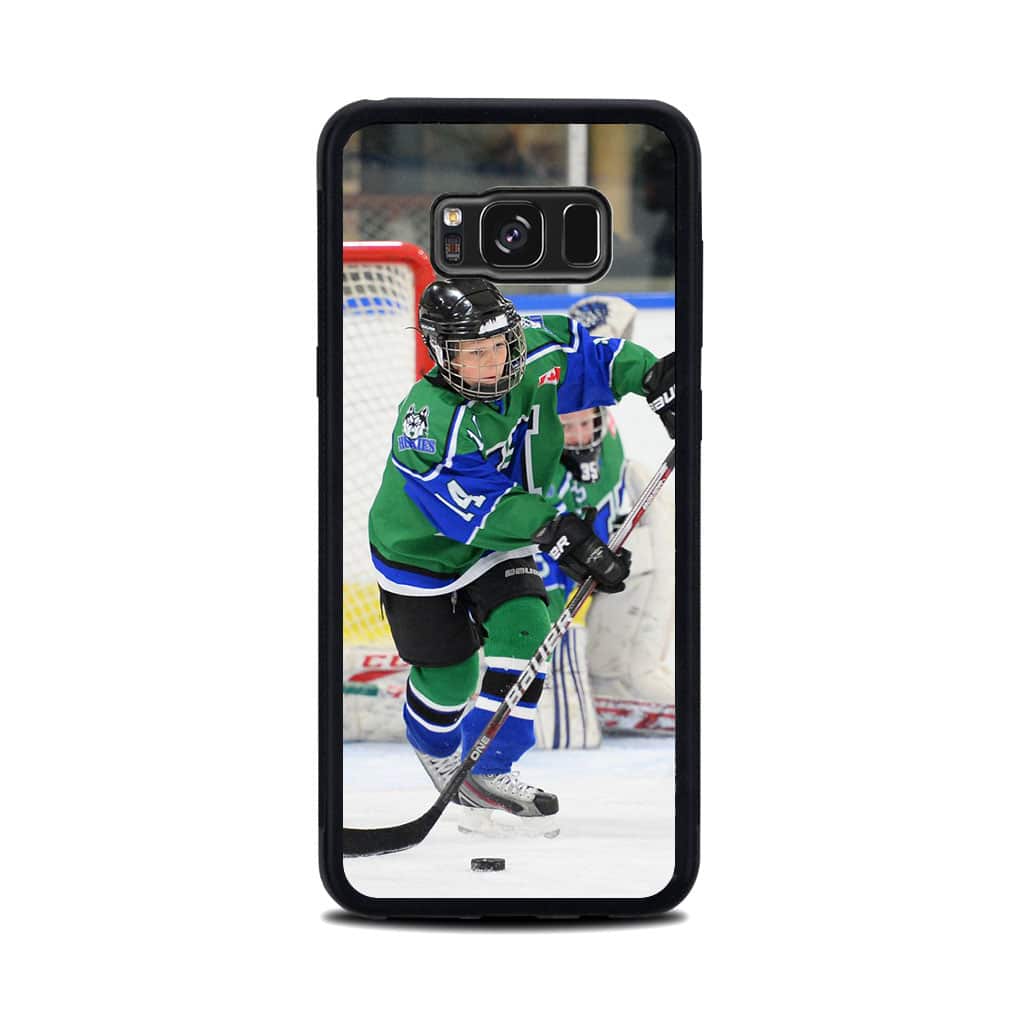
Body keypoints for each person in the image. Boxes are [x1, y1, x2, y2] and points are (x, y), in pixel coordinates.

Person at [367, 278, 675, 819]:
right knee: (450, 678)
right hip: (422, 552)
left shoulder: (536, 350)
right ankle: (436, 747)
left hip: (502, 545)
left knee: (529, 626)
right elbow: (476, 505)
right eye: (474, 353)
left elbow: (597, 360)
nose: (494, 362)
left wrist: (653, 377)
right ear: (442, 353)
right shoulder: (429, 419)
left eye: (500, 345)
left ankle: (490, 766)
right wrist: (557, 530)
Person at [533, 297, 677, 750]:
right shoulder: (533, 468)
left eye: (587, 422)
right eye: (567, 426)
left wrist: (665, 382)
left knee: (652, 500)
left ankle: (622, 669)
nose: (580, 436)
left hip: (599, 552)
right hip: (537, 576)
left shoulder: (592, 394)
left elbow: (613, 312)